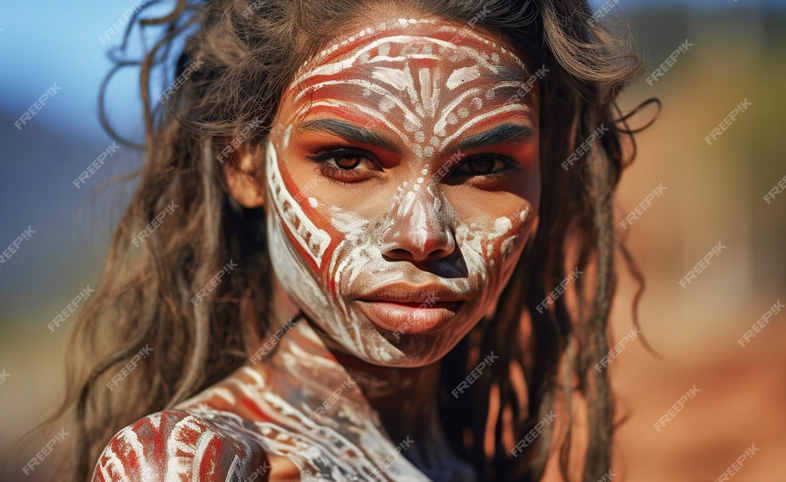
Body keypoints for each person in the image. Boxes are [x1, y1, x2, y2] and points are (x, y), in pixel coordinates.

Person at [44, 0, 653, 480]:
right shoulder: (195, 465)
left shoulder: (470, 464)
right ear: (244, 163)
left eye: (483, 165)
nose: (423, 236)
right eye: (348, 159)